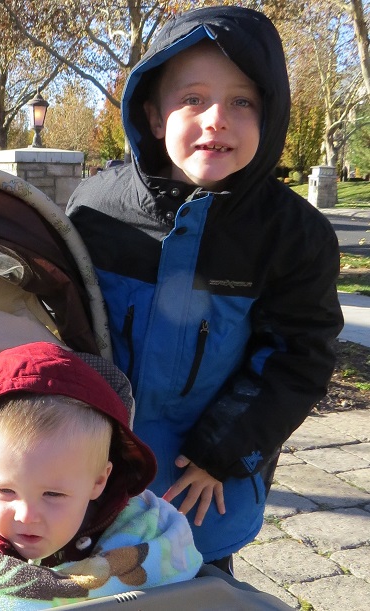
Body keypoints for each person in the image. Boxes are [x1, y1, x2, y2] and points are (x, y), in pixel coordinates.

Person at [66, 5, 344, 571]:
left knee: (198, 584)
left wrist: (223, 453)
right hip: (85, 472)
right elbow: (61, 325)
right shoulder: (96, 211)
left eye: (243, 102)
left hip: (200, 479)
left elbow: (298, 357)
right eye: (193, 98)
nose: (217, 119)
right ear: (153, 115)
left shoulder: (291, 235)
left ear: (271, 115)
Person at [0, 341, 202, 575]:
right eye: (5, 490)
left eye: (53, 494)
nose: (26, 516)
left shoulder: (137, 532)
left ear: (98, 482)